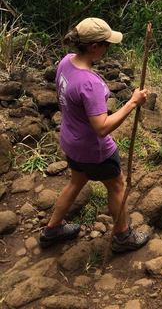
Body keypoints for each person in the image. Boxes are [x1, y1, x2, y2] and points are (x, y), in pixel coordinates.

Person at [39, 17, 150, 253]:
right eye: (106, 44)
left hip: (71, 142)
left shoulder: (66, 62)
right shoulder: (90, 83)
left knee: (76, 181)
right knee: (117, 185)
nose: (108, 49)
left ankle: (52, 230)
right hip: (94, 150)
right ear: (94, 47)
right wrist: (132, 102)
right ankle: (123, 236)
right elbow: (101, 127)